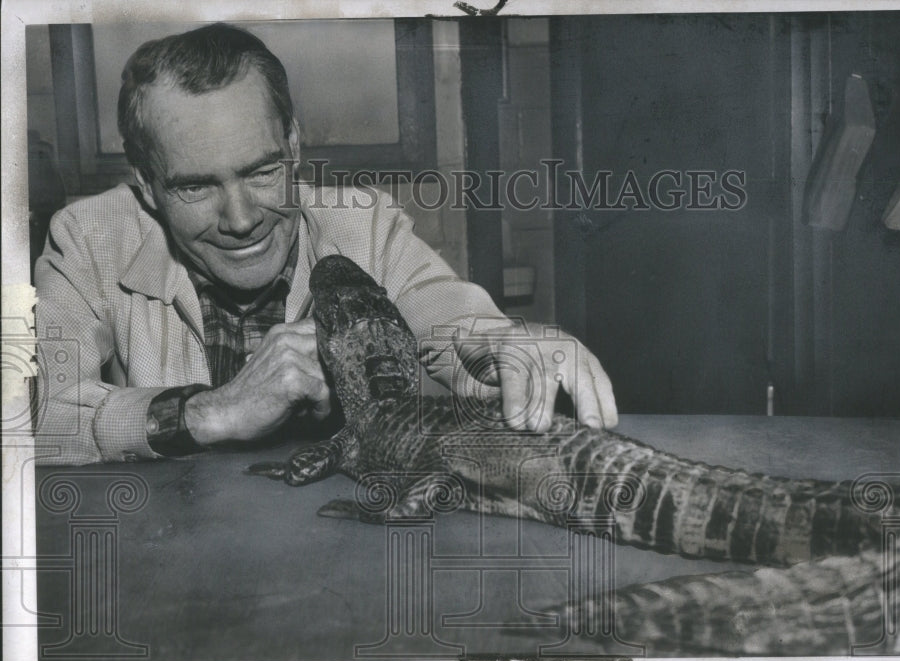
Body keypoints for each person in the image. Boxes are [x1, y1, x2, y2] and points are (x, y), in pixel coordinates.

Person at [34, 23, 617, 465]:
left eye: (263, 172)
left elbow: (449, 315)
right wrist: (209, 412)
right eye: (195, 186)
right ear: (146, 183)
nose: (241, 220)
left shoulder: (362, 225)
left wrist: (508, 347)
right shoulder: (87, 239)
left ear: (293, 145)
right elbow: (37, 421)